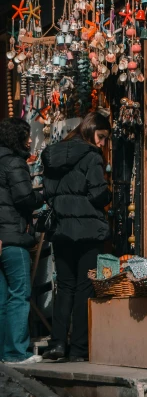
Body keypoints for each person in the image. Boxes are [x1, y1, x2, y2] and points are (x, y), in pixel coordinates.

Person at [42, 111, 111, 362]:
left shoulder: (54, 155)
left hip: (61, 230)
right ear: (90, 129)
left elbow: (48, 191)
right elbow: (97, 193)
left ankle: (58, 343)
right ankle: (79, 349)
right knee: (84, 288)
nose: (102, 143)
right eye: (101, 137)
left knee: (65, 287)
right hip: (87, 231)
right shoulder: (91, 156)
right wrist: (108, 196)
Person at [0, 117, 43, 364]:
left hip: (2, 239)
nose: (29, 140)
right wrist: (43, 194)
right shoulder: (14, 162)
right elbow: (24, 198)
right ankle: (16, 351)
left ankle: (5, 351)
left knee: (3, 297)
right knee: (19, 294)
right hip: (14, 239)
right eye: (26, 135)